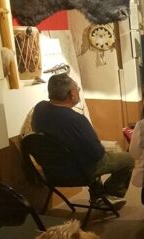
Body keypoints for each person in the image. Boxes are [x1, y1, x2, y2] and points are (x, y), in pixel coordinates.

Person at [31, 73, 133, 208]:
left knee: (86, 153)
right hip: (78, 171)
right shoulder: (76, 120)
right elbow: (97, 154)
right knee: (128, 159)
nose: (78, 91)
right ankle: (108, 195)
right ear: (72, 94)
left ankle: (98, 195)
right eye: (77, 89)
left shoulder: (40, 109)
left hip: (50, 171)